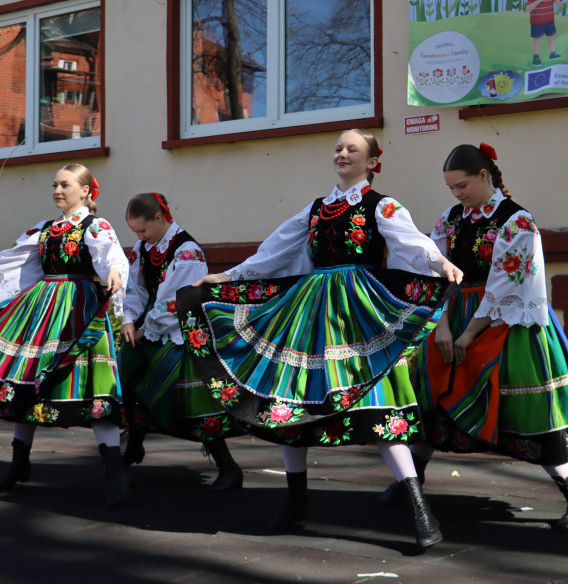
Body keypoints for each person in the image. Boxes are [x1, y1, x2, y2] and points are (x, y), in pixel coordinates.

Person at [177, 129, 463, 549]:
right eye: (338, 148)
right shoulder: (314, 209)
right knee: (290, 398)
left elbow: (413, 241)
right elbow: (273, 252)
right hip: (310, 310)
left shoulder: (381, 205)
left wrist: (439, 263)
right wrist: (227, 276)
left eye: (352, 149)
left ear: (372, 162)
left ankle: (420, 508)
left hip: (358, 310)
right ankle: (297, 500)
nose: (342, 153)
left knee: (378, 402)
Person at [389, 143, 568, 531]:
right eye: (450, 188)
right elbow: (434, 271)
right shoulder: (450, 219)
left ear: (483, 176)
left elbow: (509, 283)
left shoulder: (516, 220)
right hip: (454, 315)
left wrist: (469, 334)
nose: (457, 194)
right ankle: (410, 482)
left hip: (507, 322)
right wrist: (443, 325)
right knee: (431, 396)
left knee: (528, 408)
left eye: (462, 186)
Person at [0, 164, 131, 505]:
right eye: (55, 185)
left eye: (65, 185)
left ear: (85, 191)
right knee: (25, 382)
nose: (57, 190)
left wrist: (114, 272)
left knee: (95, 388)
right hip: (40, 311)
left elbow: (110, 253)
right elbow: (10, 260)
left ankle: (116, 472)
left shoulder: (96, 226)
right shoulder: (44, 229)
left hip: (77, 309)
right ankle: (18, 463)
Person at [119, 192, 242, 490]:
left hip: (184, 327)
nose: (139, 237)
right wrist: (129, 319)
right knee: (127, 370)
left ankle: (228, 467)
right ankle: (134, 444)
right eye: (135, 232)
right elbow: (135, 288)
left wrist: (145, 327)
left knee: (190, 392)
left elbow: (177, 300)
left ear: (158, 217)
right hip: (152, 324)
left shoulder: (187, 251)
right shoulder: (144, 247)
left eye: (142, 230)